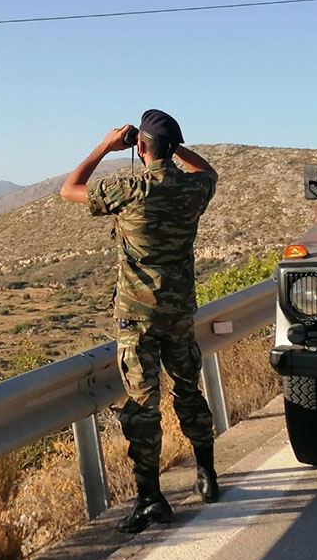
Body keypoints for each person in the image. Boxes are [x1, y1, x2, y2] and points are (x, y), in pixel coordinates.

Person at [60, 109, 219, 534]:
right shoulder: (194, 188)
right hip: (180, 313)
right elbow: (208, 169)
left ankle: (151, 498)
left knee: (144, 407)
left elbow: (69, 189)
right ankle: (208, 475)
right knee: (189, 391)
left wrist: (107, 146)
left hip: (137, 318)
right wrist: (168, 144)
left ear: (141, 148)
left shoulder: (129, 189)